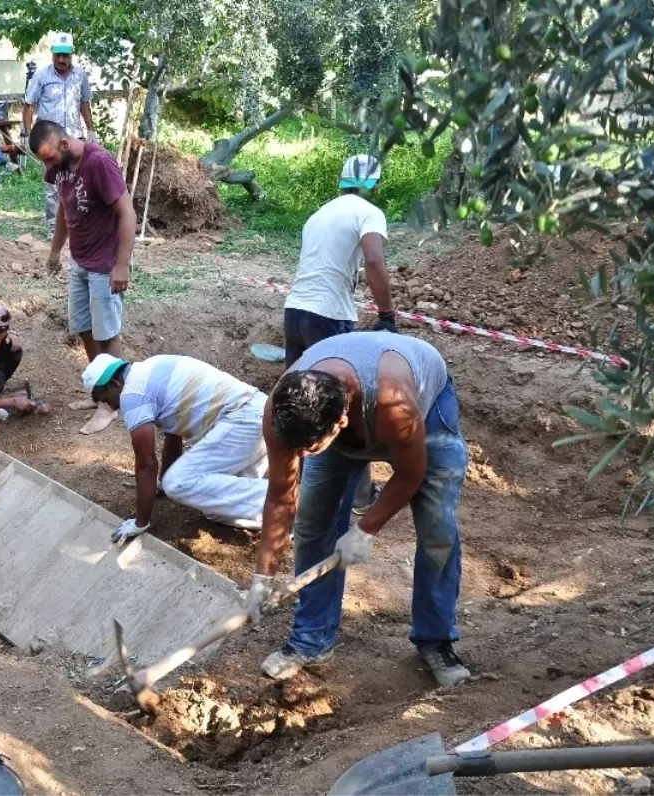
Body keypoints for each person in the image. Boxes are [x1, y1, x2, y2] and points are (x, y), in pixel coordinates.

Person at [245, 332, 469, 688]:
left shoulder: (396, 406)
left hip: (427, 404)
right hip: (341, 420)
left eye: (310, 448)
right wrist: (263, 577)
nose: (300, 457)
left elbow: (412, 474)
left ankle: (435, 640)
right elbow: (280, 496)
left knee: (437, 530)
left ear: (341, 423)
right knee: (313, 526)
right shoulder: (283, 411)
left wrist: (365, 529)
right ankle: (311, 641)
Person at [283, 153, 398, 513]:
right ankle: (360, 497)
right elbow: (375, 262)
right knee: (346, 404)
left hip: (295, 311)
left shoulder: (320, 213)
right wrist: (387, 314)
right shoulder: (368, 212)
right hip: (329, 316)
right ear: (374, 184)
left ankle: (296, 484)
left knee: (300, 402)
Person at [83, 353, 268, 545]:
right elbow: (174, 433)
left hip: (243, 423)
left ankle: (290, 502)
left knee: (178, 483)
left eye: (104, 398)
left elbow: (146, 464)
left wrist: (140, 522)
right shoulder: (151, 368)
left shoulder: (132, 395)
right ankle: (282, 520)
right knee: (216, 510)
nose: (109, 406)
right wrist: (162, 482)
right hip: (261, 416)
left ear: (115, 384)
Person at [30, 119, 136, 435]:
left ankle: (113, 403)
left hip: (105, 263)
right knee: (85, 329)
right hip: (81, 261)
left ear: (64, 143)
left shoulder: (99, 162)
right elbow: (64, 208)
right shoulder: (59, 167)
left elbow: (127, 213)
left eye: (49, 158)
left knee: (107, 334)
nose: (47, 167)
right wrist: (54, 251)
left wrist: (122, 265)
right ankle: (101, 392)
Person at [21, 33, 95, 231]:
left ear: (71, 54)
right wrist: (28, 135)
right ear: (52, 53)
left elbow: (84, 103)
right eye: (57, 55)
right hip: (49, 139)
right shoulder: (42, 75)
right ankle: (54, 225)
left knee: (79, 179)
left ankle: (78, 223)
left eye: (65, 55)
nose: (61, 59)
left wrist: (91, 130)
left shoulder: (80, 75)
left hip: (73, 137)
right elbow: (28, 106)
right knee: (53, 181)